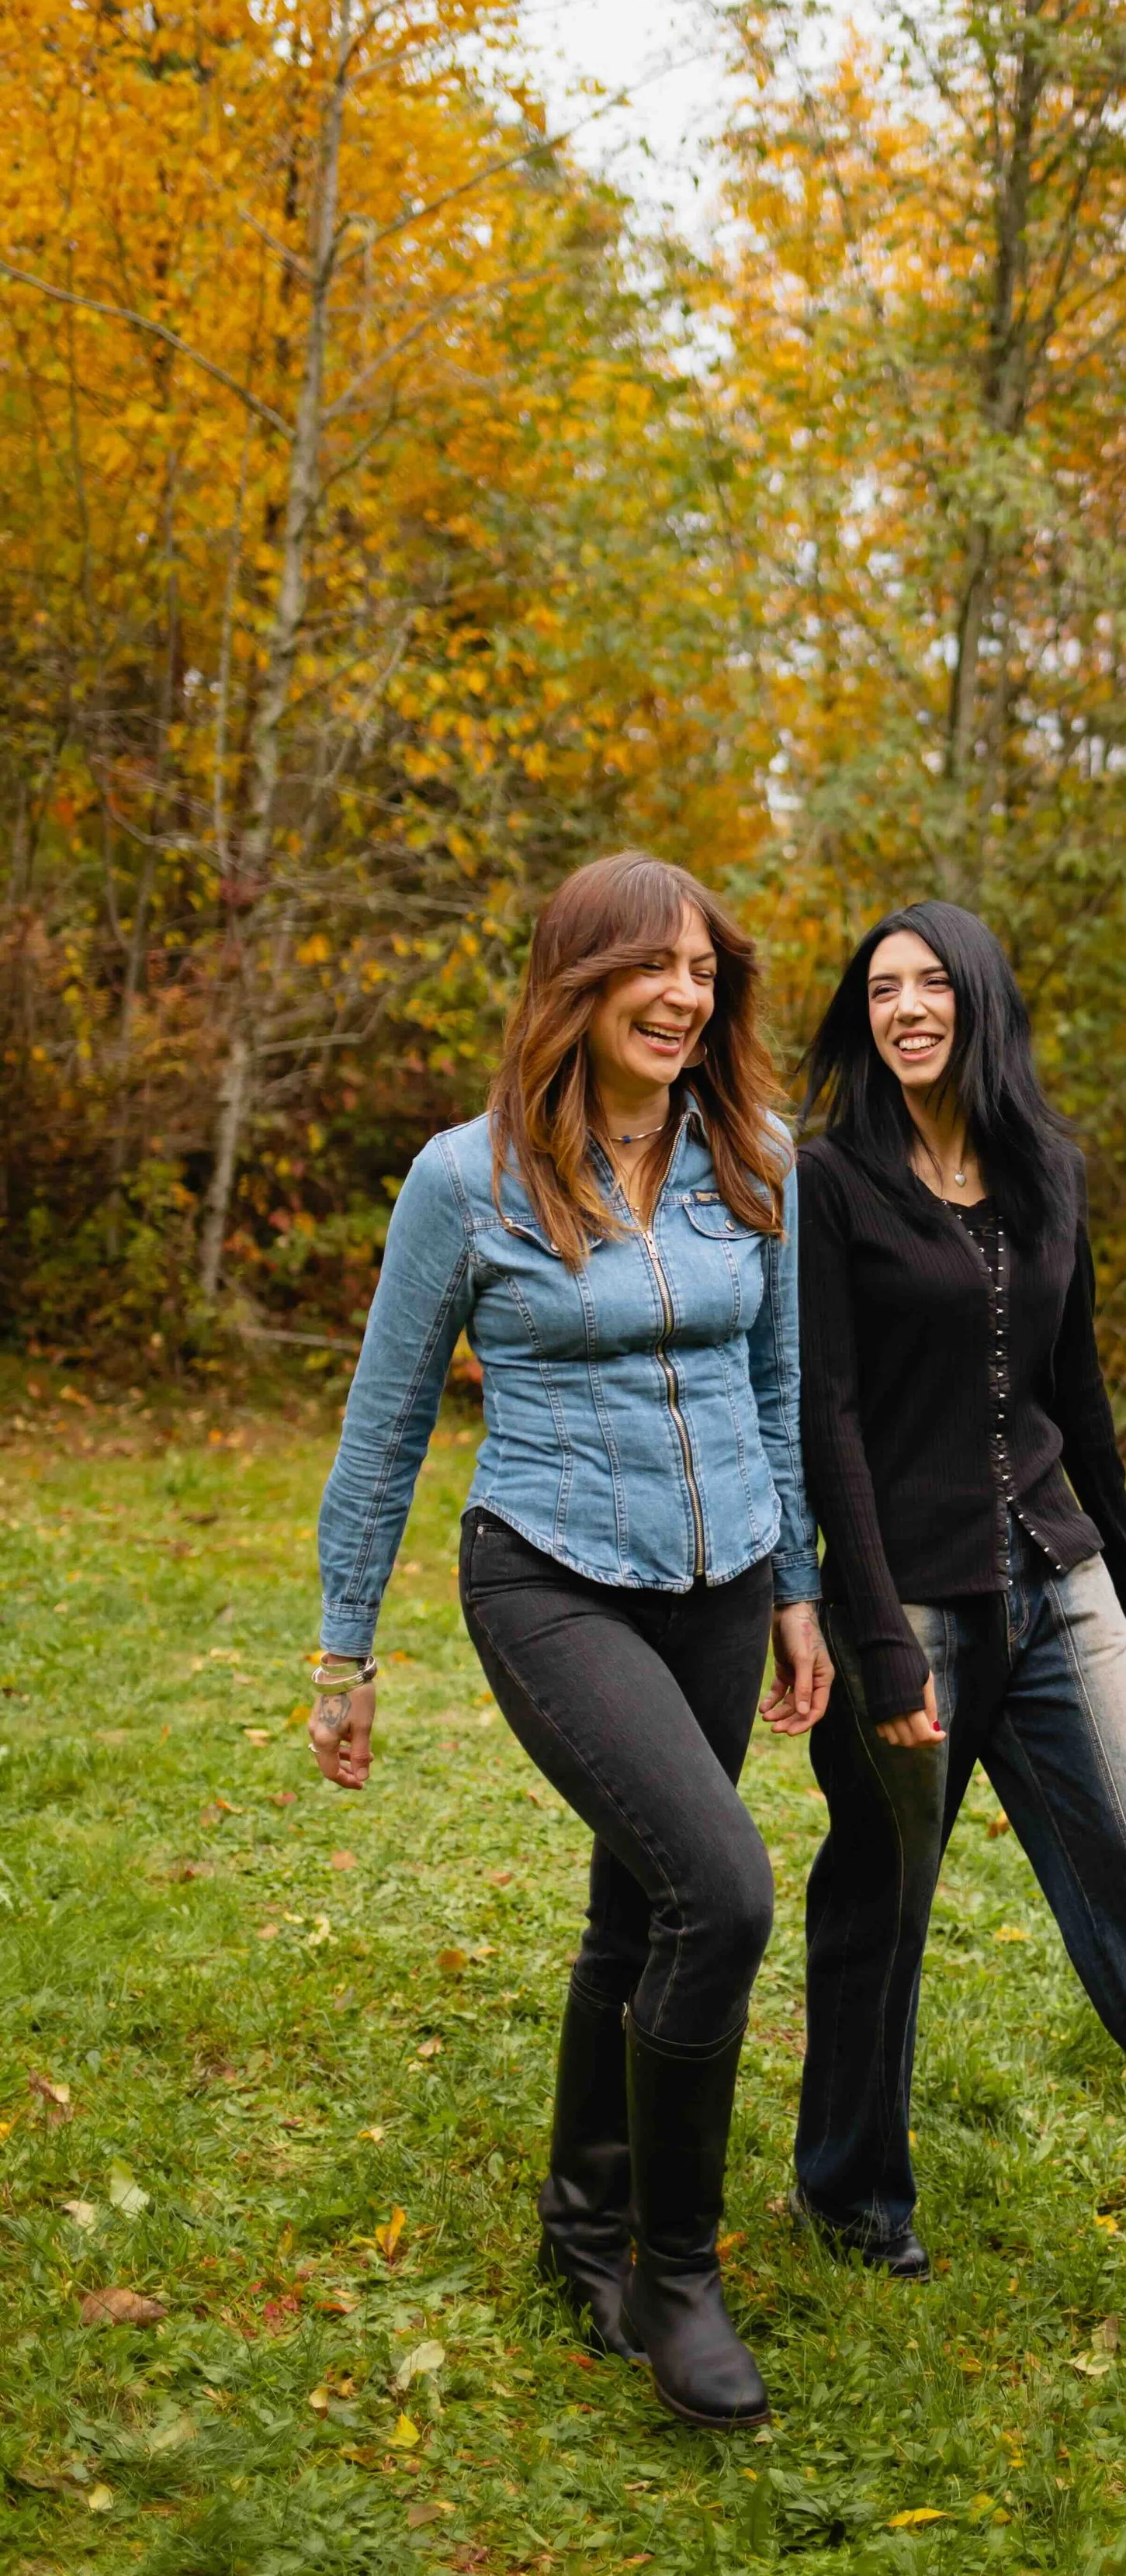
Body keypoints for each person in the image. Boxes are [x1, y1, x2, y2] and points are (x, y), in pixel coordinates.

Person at [309, 852, 830, 2432]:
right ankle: (677, 2276)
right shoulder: (463, 1181)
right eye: (648, 970)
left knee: (645, 1903)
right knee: (724, 1889)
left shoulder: (753, 1156)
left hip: (725, 1572)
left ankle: (579, 2229)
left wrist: (795, 1583)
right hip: (549, 1570)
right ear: (576, 986)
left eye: (700, 972)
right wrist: (345, 1650)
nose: (682, 996)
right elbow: (387, 1417)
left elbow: (775, 1386)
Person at [791, 901, 1126, 2345]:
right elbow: (828, 1418)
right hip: (908, 1594)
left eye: (931, 984)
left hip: (1059, 1577)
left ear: (980, 999)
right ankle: (852, 2190)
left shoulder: (1047, 1169)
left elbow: (1072, 1376)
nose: (906, 1008)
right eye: (881, 990)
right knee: (886, 1891)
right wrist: (877, 1636)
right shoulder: (827, 1181)